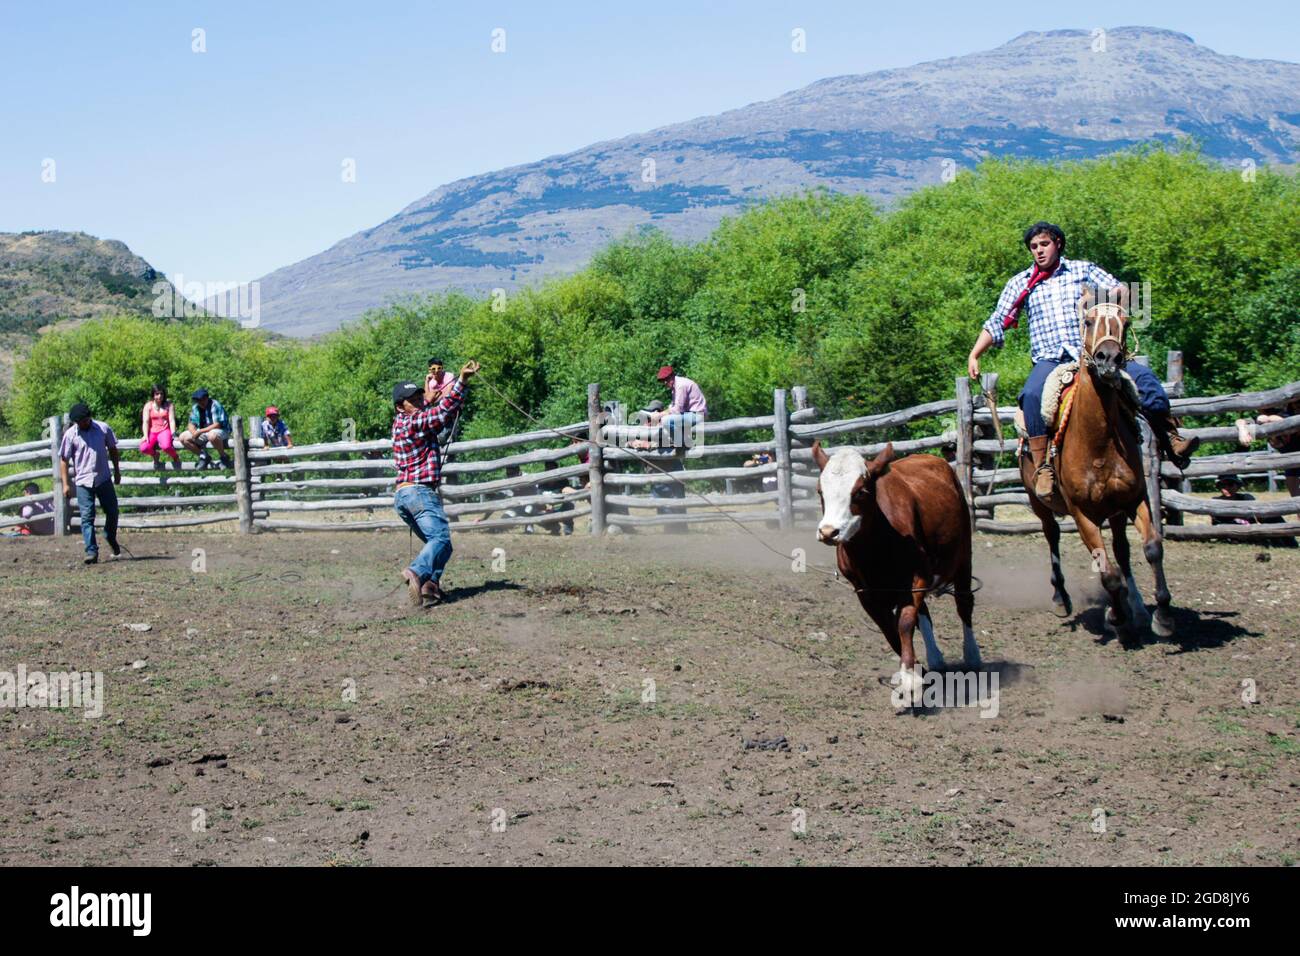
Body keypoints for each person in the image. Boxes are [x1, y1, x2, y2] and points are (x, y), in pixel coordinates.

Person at [967, 221, 1198, 500]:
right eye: (1034, 247)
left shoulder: (1083, 270)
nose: (1039, 251)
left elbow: (1124, 293)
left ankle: (1171, 437)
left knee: (1144, 379)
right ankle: (1043, 469)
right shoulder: (1021, 283)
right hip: (1050, 359)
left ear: (1058, 244)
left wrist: (1099, 297)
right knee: (1030, 395)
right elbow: (997, 321)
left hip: (1092, 354)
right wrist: (975, 353)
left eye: (1044, 244)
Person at [391, 360, 479, 607]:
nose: (419, 401)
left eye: (420, 397)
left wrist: (430, 398)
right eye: (413, 399)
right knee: (440, 539)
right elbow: (442, 414)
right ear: (401, 406)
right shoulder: (415, 422)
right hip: (419, 492)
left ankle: (430, 587)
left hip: (404, 497)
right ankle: (417, 573)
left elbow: (427, 409)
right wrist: (461, 381)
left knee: (442, 545)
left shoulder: (401, 423)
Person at [59, 402, 121, 564]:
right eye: (79, 422)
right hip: (83, 482)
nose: (82, 424)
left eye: (84, 421)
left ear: (89, 417)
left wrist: (117, 470)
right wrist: (65, 484)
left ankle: (109, 534)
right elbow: (64, 460)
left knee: (113, 511)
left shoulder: (103, 429)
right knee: (87, 518)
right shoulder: (71, 435)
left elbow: (113, 449)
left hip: (103, 478)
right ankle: (91, 551)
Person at [1210, 473, 1297, 547]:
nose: (1227, 488)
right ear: (1219, 487)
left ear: (1237, 486)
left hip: (1250, 530)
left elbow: (1259, 514)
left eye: (1230, 484)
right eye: (1223, 485)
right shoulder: (1215, 501)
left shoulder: (1246, 498)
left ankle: (1291, 543)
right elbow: (1218, 524)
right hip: (1231, 533)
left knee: (1273, 516)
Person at [651, 365, 707, 448]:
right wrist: (660, 414)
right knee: (665, 421)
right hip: (690, 414)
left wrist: (660, 415)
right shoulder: (676, 386)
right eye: (663, 380)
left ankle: (682, 443)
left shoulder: (680, 386)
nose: (665, 382)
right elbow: (673, 406)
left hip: (697, 415)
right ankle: (683, 441)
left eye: (666, 379)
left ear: (672, 376)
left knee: (665, 420)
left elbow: (677, 410)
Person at [177, 388, 232, 469]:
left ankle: (223, 457)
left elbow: (217, 425)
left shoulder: (215, 404)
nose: (201, 402)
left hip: (222, 431)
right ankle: (203, 456)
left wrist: (199, 432)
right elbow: (191, 424)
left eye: (203, 399)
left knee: (212, 435)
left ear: (207, 398)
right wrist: (194, 433)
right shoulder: (195, 407)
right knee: (183, 437)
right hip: (203, 432)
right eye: (198, 400)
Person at [139, 384, 181, 471]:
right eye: (157, 394)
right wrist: (145, 435)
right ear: (153, 395)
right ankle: (155, 454)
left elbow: (172, 420)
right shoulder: (148, 406)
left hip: (164, 430)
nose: (159, 396)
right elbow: (145, 422)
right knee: (144, 448)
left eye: (161, 394)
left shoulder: (169, 405)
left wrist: (174, 434)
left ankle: (175, 456)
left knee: (166, 446)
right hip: (152, 431)